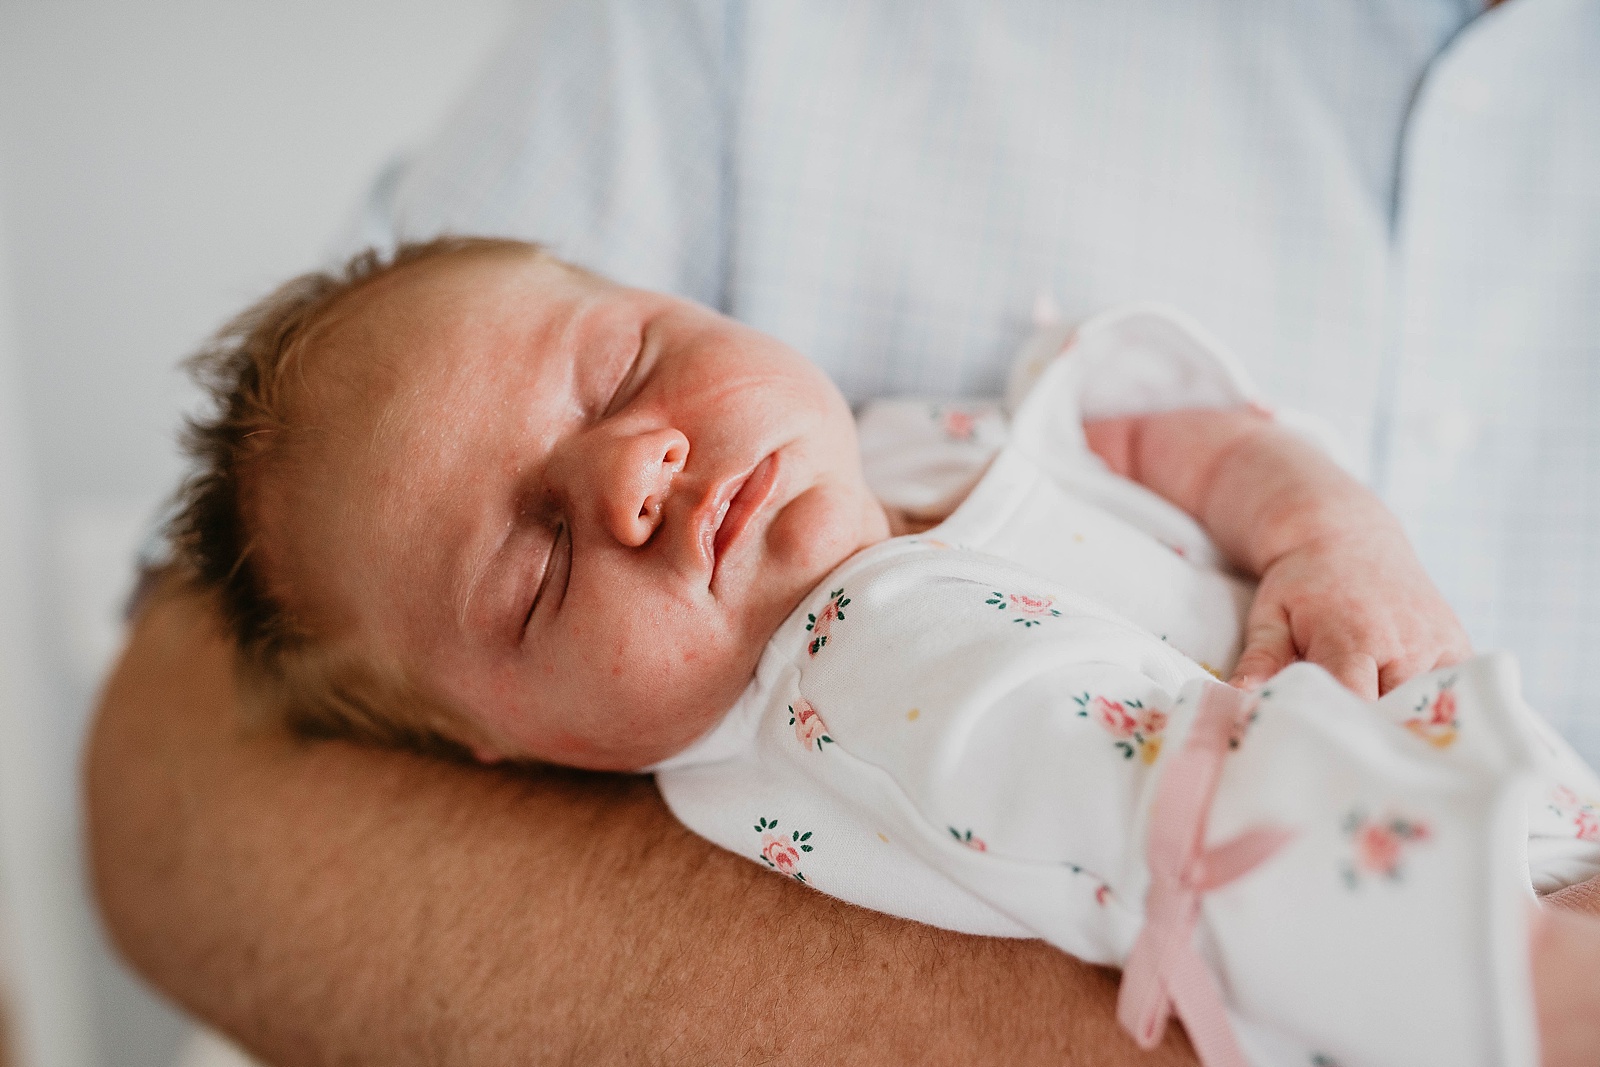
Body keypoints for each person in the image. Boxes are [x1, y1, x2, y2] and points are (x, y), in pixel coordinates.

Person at [86, 2, 1600, 1064]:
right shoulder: (864, 687)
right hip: (1428, 906)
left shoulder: (904, 450)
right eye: (537, 569)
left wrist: (1318, 526)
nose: (632, 475)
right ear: (502, 745)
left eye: (622, 364)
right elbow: (1187, 833)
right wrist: (1518, 988)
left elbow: (1138, 422)